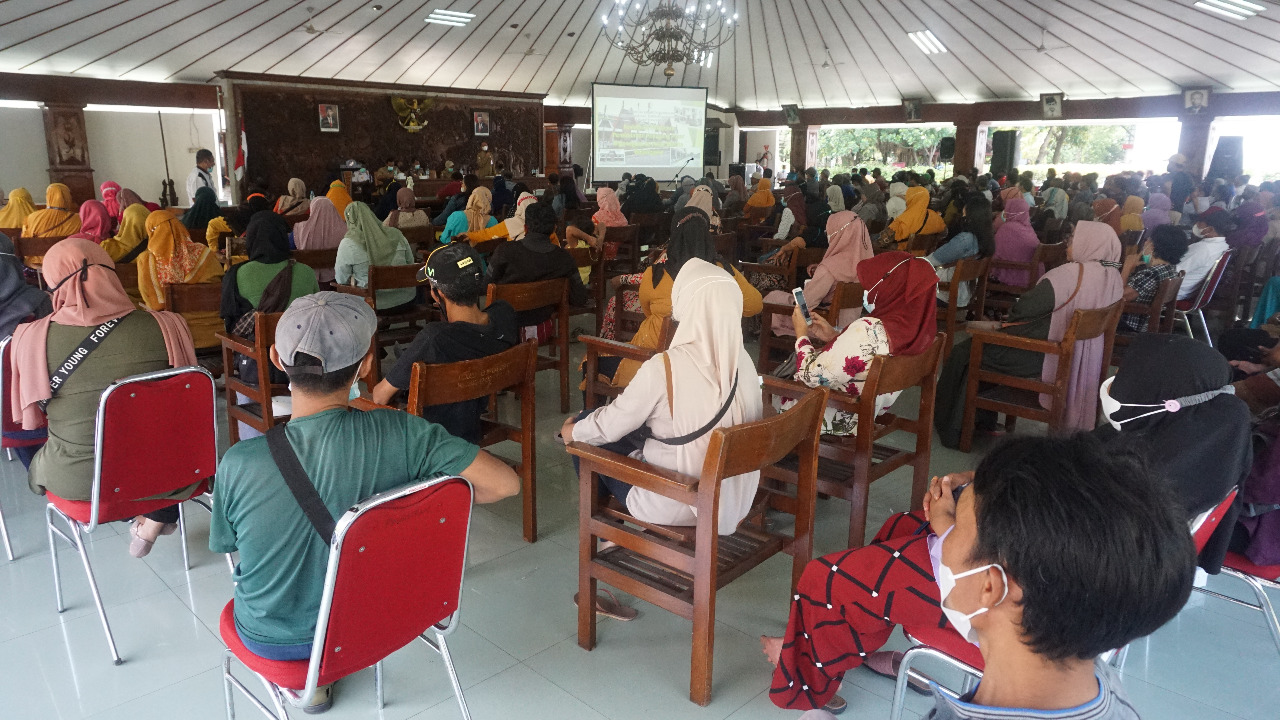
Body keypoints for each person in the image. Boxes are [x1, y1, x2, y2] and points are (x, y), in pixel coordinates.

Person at [209, 292, 520, 713]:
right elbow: (505, 484)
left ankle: (313, 681)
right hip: (386, 621)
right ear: (366, 365)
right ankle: (330, 663)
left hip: (276, 639)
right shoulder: (409, 435)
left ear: (276, 360)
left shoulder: (239, 463)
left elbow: (231, 549)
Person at [763, 434, 1196, 716]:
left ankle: (809, 680)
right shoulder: (1101, 678)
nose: (942, 530)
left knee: (832, 576)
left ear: (989, 587)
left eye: (955, 529)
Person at [10, 238, 198, 557]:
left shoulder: (29, 338)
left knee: (48, 459)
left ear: (53, 283)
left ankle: (151, 514)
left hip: (83, 481)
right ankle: (157, 513)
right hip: (174, 471)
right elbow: (188, 407)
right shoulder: (170, 326)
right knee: (148, 442)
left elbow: (31, 422)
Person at [563, 256, 763, 530]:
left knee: (585, 434)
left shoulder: (665, 367)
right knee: (607, 427)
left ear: (685, 304)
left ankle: (608, 529)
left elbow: (610, 426)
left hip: (678, 497)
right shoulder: (743, 361)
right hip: (734, 496)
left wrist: (572, 434)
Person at [934, 221, 1124, 447]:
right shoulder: (1113, 278)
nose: (1067, 243)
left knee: (964, 351)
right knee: (978, 348)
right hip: (1078, 359)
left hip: (1042, 356)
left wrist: (1011, 316)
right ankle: (982, 421)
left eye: (1073, 238)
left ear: (1089, 243)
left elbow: (1024, 309)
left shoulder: (1070, 274)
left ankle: (954, 429)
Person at [1096, 333, 1250, 574]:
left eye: (1127, 377)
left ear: (1164, 396)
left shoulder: (1138, 479)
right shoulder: (1220, 436)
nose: (1115, 383)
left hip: (1106, 566)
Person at [598, 208, 761, 389]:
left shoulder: (655, 274)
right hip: (709, 372)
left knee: (592, 361)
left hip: (650, 365)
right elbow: (755, 305)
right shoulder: (726, 272)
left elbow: (647, 312)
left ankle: (595, 415)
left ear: (674, 236)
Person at [371, 243, 518, 442]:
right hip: (474, 415)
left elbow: (380, 396)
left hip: (436, 438)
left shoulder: (434, 338)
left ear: (438, 294)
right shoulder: (505, 314)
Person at [780, 251, 937, 435]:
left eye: (872, 286)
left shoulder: (867, 330)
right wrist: (835, 336)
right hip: (870, 412)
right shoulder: (922, 332)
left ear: (890, 287)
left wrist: (801, 335)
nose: (867, 291)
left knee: (762, 392)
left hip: (831, 414)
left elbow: (810, 376)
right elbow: (870, 353)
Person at [488, 201, 588, 340]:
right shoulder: (564, 258)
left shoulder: (504, 251)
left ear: (525, 228)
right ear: (554, 229)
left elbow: (485, 285)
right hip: (543, 328)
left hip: (503, 331)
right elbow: (580, 297)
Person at [219, 213, 320, 334]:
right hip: (301, 347)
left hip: (255, 350)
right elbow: (317, 311)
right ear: (283, 238)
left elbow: (229, 323)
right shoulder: (307, 271)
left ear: (251, 239)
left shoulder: (236, 274)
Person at [136, 209, 225, 346]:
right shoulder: (205, 253)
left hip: (179, 338)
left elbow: (155, 305)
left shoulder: (147, 260)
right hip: (218, 332)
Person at [336, 202, 418, 312]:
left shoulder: (348, 244)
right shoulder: (396, 234)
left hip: (371, 304)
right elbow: (410, 264)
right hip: (406, 299)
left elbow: (341, 279)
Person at [1119, 225, 1189, 333]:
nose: (1145, 243)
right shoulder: (1170, 270)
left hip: (1128, 324)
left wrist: (1127, 267)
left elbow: (1119, 296)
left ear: (1153, 246)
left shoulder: (1152, 273)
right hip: (1143, 323)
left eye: (1148, 240)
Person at [1175, 207, 1231, 300]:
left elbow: (1175, 271)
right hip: (1188, 290)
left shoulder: (1203, 249)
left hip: (1175, 291)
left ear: (1210, 229)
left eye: (1200, 223)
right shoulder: (1224, 246)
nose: (1196, 225)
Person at [990, 197, 1040, 287]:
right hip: (1031, 275)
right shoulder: (1028, 228)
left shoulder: (1007, 228)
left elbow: (995, 253)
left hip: (1017, 276)